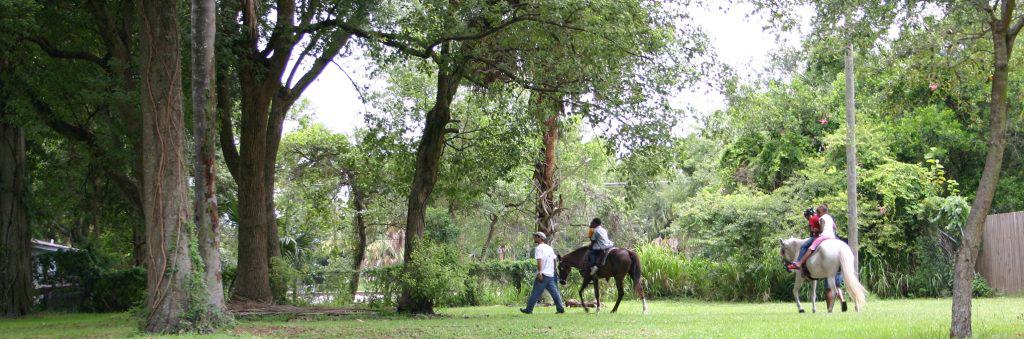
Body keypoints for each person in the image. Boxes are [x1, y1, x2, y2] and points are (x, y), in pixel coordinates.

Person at [521, 232, 565, 314]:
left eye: (535, 237)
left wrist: (540, 272)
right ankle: (560, 309)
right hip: (550, 275)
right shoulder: (549, 248)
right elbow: (554, 259)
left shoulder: (538, 248)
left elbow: (539, 260)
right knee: (555, 293)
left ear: (540, 238)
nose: (534, 238)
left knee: (535, 292)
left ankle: (529, 309)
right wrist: (554, 270)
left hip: (543, 275)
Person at [794, 204, 836, 269]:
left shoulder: (821, 218)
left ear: (822, 212)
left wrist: (816, 230)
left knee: (811, 248)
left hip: (824, 236)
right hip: (832, 237)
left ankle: (799, 263)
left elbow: (821, 230)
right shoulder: (830, 217)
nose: (817, 214)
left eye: (818, 212)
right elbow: (834, 227)